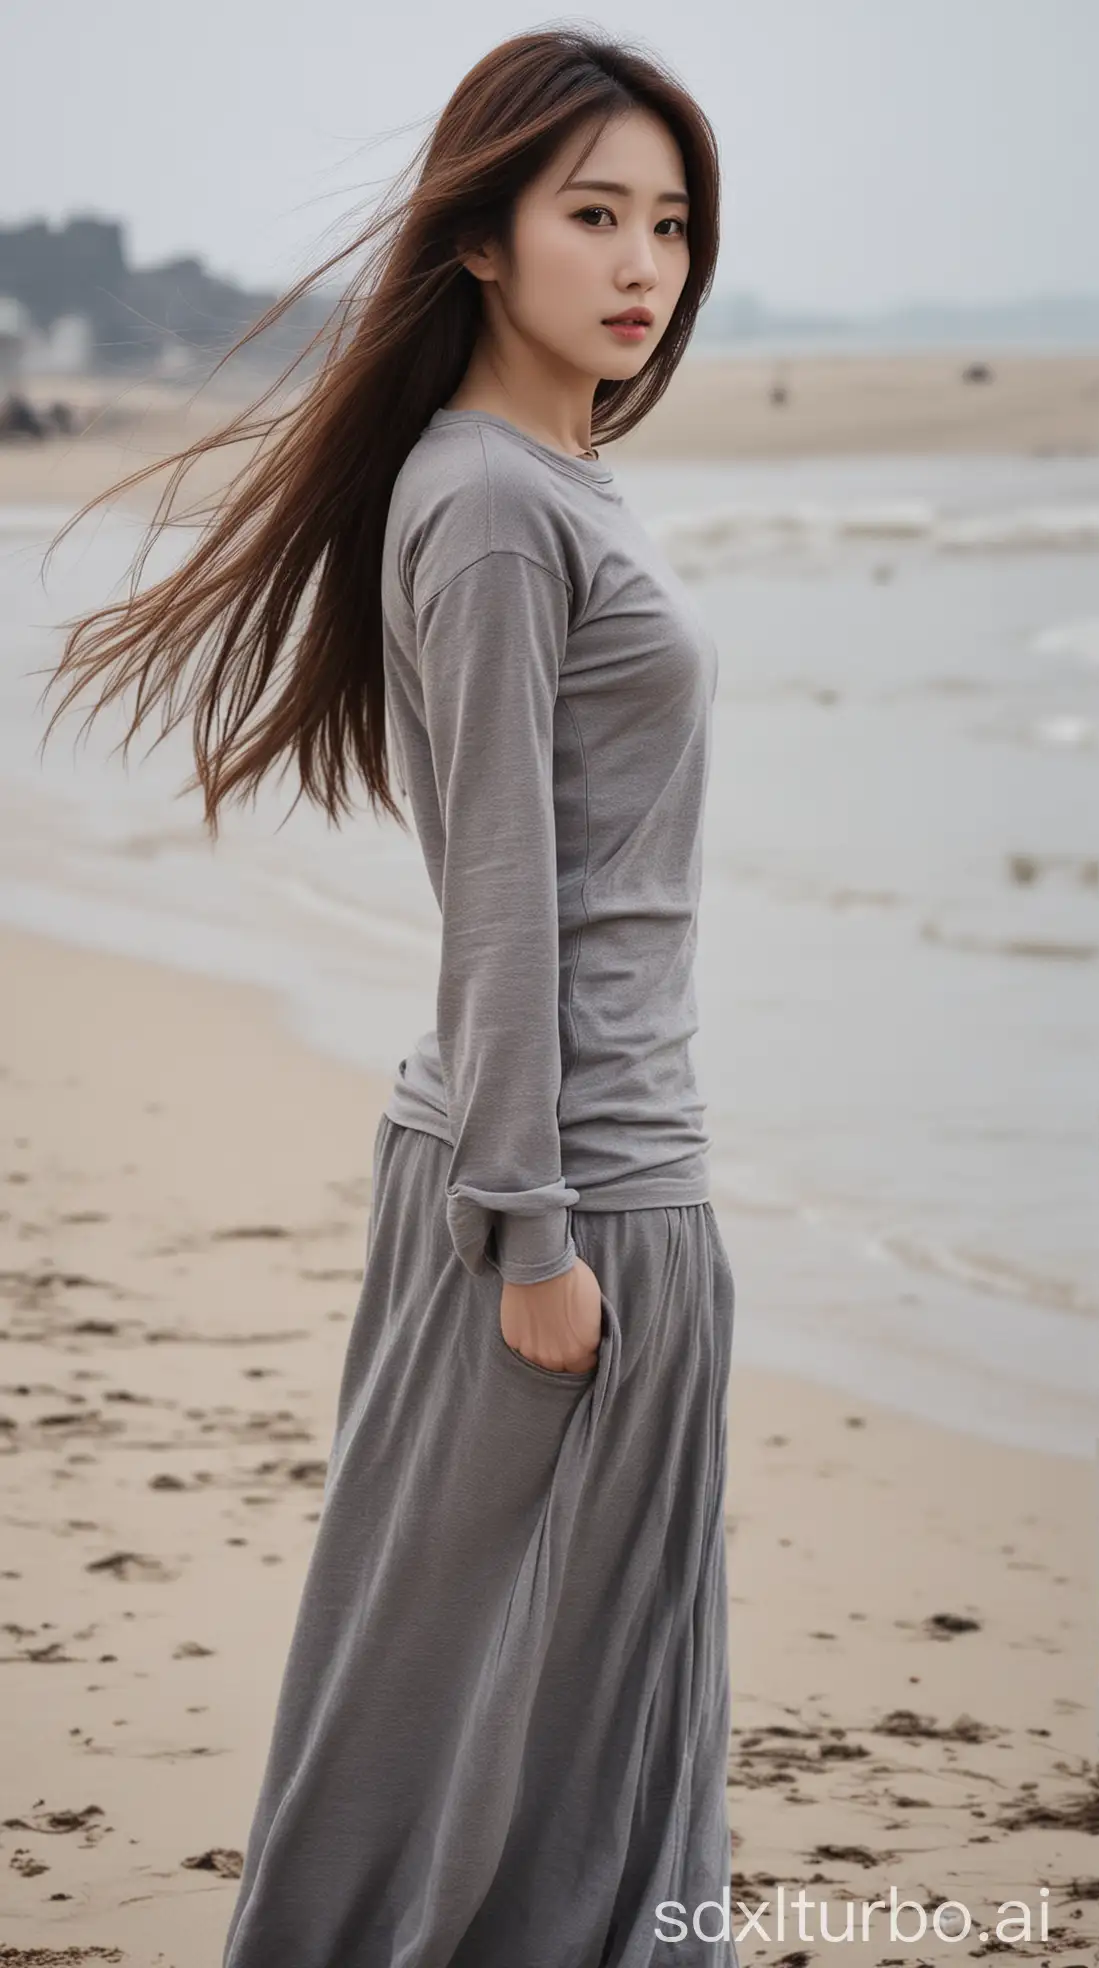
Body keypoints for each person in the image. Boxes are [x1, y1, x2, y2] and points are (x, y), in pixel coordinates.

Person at [43, 28, 739, 1966]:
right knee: (434, 1744)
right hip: (560, 1196)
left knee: (602, 1744)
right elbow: (506, 904)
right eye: (591, 212)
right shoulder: (499, 502)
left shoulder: (548, 483)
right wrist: (532, 1228)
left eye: (670, 223)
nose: (642, 264)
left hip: (620, 1173)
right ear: (481, 242)